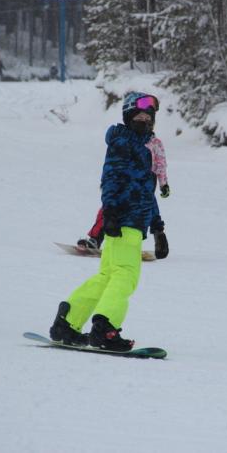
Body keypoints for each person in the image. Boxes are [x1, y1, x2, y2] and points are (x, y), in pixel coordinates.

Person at [49, 92, 161, 351]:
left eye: (148, 116)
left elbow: (147, 192)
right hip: (124, 220)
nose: (144, 120)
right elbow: (110, 178)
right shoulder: (123, 142)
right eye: (139, 116)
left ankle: (68, 320)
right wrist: (109, 213)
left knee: (108, 275)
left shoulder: (146, 147)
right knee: (126, 275)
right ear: (127, 117)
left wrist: (158, 227)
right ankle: (105, 328)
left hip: (133, 223)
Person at [77, 130, 170, 259]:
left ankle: (155, 238)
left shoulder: (156, 143)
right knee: (109, 208)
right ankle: (95, 239)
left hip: (146, 183)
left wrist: (163, 184)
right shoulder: (126, 139)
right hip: (126, 182)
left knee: (150, 211)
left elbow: (161, 165)